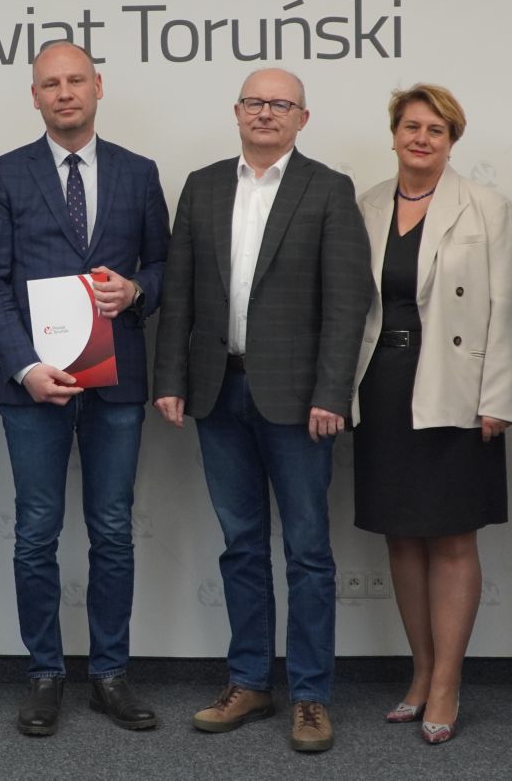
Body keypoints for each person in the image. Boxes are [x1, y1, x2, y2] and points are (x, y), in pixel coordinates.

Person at [154, 68, 372, 754]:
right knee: (241, 544)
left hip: (300, 401)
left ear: (303, 118)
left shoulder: (328, 189)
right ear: (237, 111)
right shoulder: (202, 186)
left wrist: (333, 392)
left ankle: (309, 695)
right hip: (218, 392)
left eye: (281, 104)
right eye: (255, 102)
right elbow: (179, 293)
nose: (266, 113)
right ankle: (249, 681)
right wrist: (170, 377)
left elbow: (348, 302)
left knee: (308, 551)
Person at [0, 41, 169, 736]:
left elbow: (165, 265)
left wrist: (138, 289)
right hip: (34, 387)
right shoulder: (3, 174)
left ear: (98, 86)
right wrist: (25, 365)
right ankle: (44, 673)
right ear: (34, 96)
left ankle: (110, 673)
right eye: (50, 83)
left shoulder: (139, 172)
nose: (64, 93)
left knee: (112, 529)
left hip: (116, 383)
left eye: (75, 80)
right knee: (36, 531)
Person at [350, 85, 512, 745]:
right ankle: (421, 671)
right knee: (401, 534)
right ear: (394, 133)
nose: (421, 138)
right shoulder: (367, 204)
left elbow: (507, 307)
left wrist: (498, 397)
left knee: (452, 537)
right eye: (412, 126)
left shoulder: (487, 206)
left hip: (457, 387)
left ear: (453, 140)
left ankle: (449, 681)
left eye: (436, 129)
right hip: (382, 386)